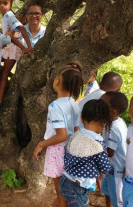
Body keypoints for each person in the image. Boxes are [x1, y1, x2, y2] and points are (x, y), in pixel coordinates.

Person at [33, 62, 84, 207]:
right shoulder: (74, 103)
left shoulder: (55, 106)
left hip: (58, 151)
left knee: (60, 191)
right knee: (67, 189)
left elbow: (61, 135)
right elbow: (75, 130)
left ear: (57, 81)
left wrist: (41, 144)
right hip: (71, 150)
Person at [59, 99, 114, 207]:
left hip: (64, 181)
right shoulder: (97, 144)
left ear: (82, 118)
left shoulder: (76, 135)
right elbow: (105, 167)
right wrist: (117, 171)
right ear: (102, 123)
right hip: (78, 187)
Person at [0, 0, 33, 108]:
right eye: (0, 2)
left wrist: (26, 48)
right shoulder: (5, 16)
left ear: (11, 4)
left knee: (3, 74)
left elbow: (22, 29)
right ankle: (13, 78)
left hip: (13, 48)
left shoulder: (9, 15)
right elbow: (10, 35)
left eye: (5, 3)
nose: (2, 6)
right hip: (9, 46)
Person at [100, 92, 129, 207]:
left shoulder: (115, 128)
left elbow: (110, 152)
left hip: (116, 170)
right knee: (107, 191)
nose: (99, 106)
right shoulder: (110, 122)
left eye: (102, 105)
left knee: (117, 198)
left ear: (113, 111)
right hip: (110, 168)